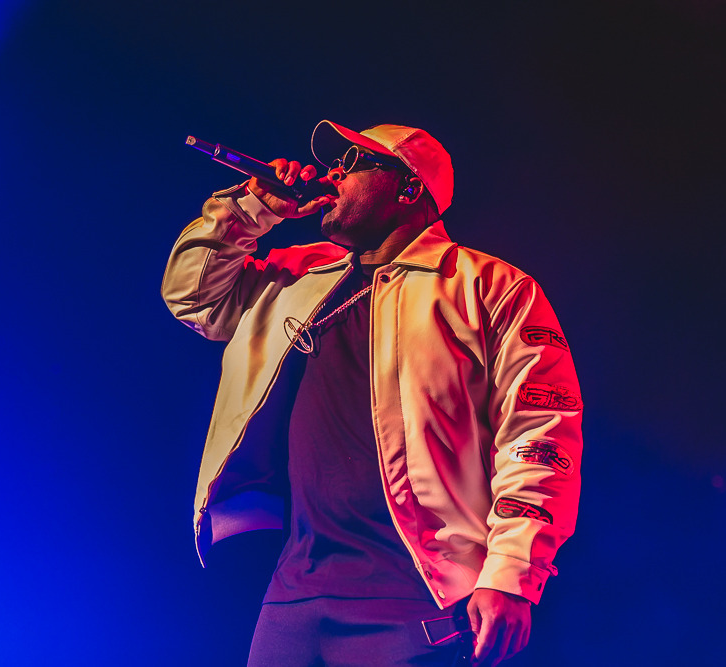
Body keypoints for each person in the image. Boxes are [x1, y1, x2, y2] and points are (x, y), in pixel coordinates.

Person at [161, 120, 583, 666]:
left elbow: (541, 432)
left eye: (354, 163)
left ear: (407, 188)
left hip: (417, 593)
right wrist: (251, 206)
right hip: (295, 589)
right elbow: (191, 297)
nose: (333, 173)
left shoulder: (489, 286)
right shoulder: (297, 275)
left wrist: (512, 572)